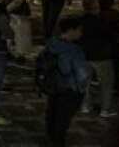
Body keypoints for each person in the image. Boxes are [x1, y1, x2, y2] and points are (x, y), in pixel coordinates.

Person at [43, 16, 90, 147]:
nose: (81, 33)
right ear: (71, 30)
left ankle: (50, 138)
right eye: (79, 30)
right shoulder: (74, 51)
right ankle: (57, 142)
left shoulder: (52, 44)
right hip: (70, 88)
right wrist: (82, 88)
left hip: (53, 85)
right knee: (63, 119)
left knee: (52, 113)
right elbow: (81, 74)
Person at [78, 0, 117, 118]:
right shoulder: (102, 21)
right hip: (101, 56)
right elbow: (111, 36)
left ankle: (85, 105)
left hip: (84, 55)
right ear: (95, 7)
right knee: (106, 82)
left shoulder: (79, 21)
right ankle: (106, 109)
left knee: (85, 82)